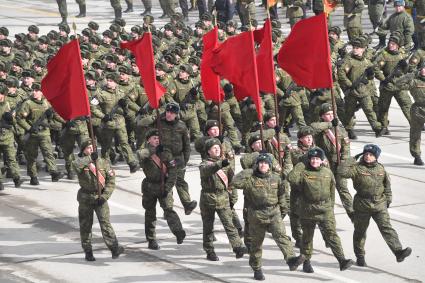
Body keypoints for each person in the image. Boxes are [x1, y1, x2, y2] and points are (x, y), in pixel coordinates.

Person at [231, 153, 305, 280]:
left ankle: (291, 259)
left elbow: (282, 195)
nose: (263, 165)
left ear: (270, 165)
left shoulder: (276, 178)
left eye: (265, 163)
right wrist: (249, 171)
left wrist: (282, 212)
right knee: (256, 244)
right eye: (260, 163)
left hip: (273, 212)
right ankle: (257, 268)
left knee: (281, 236)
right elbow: (235, 182)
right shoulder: (250, 178)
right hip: (256, 214)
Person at [337, 144, 412, 266]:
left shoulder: (381, 169)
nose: (367, 156)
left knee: (387, 228)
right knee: (360, 232)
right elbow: (342, 172)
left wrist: (388, 200)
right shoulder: (357, 168)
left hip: (379, 204)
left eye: (371, 155)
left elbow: (387, 186)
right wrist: (353, 158)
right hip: (362, 204)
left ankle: (398, 252)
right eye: (366, 154)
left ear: (376, 157)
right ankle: (360, 256)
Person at [288, 148, 354, 273]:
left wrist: (330, 207)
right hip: (308, 210)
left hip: (325, 210)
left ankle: (342, 260)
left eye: (317, 159)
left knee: (332, 235)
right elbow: (291, 178)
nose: (314, 161)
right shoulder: (303, 172)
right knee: (307, 238)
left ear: (322, 160)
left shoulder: (328, 172)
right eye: (312, 159)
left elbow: (332, 191)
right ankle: (306, 263)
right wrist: (301, 164)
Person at [72, 139, 124, 261]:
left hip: (100, 198)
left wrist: (105, 196)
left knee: (105, 224)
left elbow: (111, 181)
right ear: (83, 150)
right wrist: (89, 159)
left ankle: (114, 248)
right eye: (88, 148)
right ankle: (88, 251)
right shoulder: (80, 162)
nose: (91, 150)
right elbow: (75, 166)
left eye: (93, 148)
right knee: (86, 225)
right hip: (85, 197)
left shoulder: (103, 162)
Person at [137, 129, 186, 250]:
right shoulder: (144, 151)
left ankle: (178, 232)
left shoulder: (165, 152)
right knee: (150, 214)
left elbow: (173, 170)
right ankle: (151, 239)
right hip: (149, 186)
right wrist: (154, 150)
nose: (157, 140)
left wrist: (168, 186)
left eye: (158, 139)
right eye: (154, 138)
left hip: (164, 185)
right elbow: (139, 155)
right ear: (148, 140)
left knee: (169, 210)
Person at [199, 138, 247, 261]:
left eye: (218, 148)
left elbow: (232, 181)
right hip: (208, 199)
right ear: (208, 152)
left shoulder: (225, 164)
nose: (217, 150)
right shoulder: (204, 164)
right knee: (208, 227)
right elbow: (207, 171)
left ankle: (237, 247)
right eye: (214, 148)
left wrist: (233, 197)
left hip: (223, 198)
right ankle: (209, 251)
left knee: (229, 224)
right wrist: (220, 163)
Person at [16, 83, 63, 185]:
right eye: (33, 90)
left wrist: (65, 122)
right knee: (32, 157)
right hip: (32, 134)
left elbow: (55, 114)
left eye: (36, 90)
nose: (34, 92)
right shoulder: (28, 103)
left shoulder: (46, 103)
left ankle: (54, 172)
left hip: (45, 133)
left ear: (42, 92)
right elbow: (19, 118)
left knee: (48, 153)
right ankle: (33, 176)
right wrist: (29, 128)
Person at [158, 102, 198, 215]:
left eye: (171, 113)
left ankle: (187, 204)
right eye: (167, 112)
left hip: (178, 159)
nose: (169, 114)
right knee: (167, 184)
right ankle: (168, 209)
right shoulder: (159, 123)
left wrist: (185, 160)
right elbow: (141, 124)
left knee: (180, 182)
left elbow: (186, 145)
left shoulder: (182, 126)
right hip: (164, 159)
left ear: (176, 114)